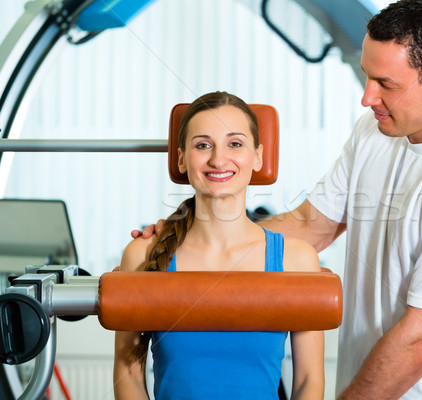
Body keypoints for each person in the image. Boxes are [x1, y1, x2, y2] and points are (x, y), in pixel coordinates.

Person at [137, 1, 422, 398]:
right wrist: (196, 236)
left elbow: (421, 340)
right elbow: (313, 226)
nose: (366, 98)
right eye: (367, 76)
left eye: (385, 84)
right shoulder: (378, 130)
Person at [115, 91, 324, 400]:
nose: (218, 159)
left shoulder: (298, 260)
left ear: (258, 157)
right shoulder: (142, 254)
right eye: (203, 145)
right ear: (182, 159)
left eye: (235, 144)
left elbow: (308, 380)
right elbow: (128, 374)